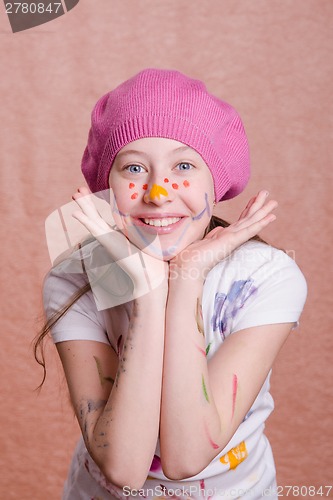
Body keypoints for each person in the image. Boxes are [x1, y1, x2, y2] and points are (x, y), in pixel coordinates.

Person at [36, 69, 307, 499]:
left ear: (215, 184)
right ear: (108, 186)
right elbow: (123, 468)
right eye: (134, 168)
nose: (158, 193)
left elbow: (186, 456)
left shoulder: (264, 276)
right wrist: (148, 293)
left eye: (183, 165)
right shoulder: (74, 280)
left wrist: (186, 281)